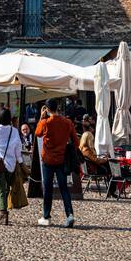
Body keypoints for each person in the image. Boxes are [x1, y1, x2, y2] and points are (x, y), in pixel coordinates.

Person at [35, 98, 79, 229]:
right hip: (61, 160)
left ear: (47, 110)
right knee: (64, 188)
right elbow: (76, 142)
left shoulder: (45, 122)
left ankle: (46, 216)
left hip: (48, 160)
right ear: (58, 108)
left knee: (47, 188)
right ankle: (69, 214)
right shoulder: (67, 122)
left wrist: (41, 118)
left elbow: (37, 133)